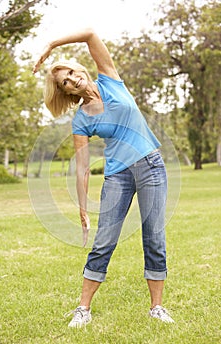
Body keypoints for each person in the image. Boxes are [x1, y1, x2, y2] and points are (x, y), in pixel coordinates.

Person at [33, 28, 174, 326]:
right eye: (65, 83)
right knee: (104, 241)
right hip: (118, 176)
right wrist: (82, 208)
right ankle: (83, 309)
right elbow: (82, 167)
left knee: (154, 238)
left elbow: (90, 36)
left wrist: (52, 43)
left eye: (71, 72)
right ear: (67, 92)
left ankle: (157, 308)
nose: (72, 79)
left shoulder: (110, 80)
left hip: (151, 166)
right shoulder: (82, 119)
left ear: (79, 68)